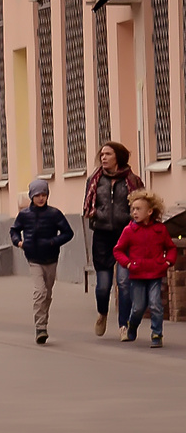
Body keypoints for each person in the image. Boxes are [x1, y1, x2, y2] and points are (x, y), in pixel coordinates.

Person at [84, 141, 143, 337]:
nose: (103, 158)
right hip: (102, 235)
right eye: (102, 154)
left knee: (124, 283)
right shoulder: (94, 180)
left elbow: (141, 204)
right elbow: (88, 205)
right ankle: (102, 313)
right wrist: (96, 216)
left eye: (108, 154)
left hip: (126, 234)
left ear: (118, 156)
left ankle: (123, 326)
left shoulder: (132, 180)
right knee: (103, 285)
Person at [9, 178, 76, 344]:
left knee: (47, 294)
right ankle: (40, 328)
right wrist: (19, 242)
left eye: (44, 194)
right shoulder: (24, 215)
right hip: (33, 258)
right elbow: (14, 230)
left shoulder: (54, 214)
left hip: (51, 258)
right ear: (32, 196)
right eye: (37, 195)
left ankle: (43, 321)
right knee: (40, 292)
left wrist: (53, 241)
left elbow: (68, 233)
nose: (41, 198)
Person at [113, 188, 176, 347]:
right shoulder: (129, 231)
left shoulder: (160, 230)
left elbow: (171, 248)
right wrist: (127, 264)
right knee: (138, 307)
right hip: (137, 274)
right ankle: (132, 325)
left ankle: (157, 334)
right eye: (132, 209)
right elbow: (118, 250)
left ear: (149, 211)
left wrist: (168, 262)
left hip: (155, 273)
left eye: (138, 209)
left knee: (155, 304)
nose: (134, 212)